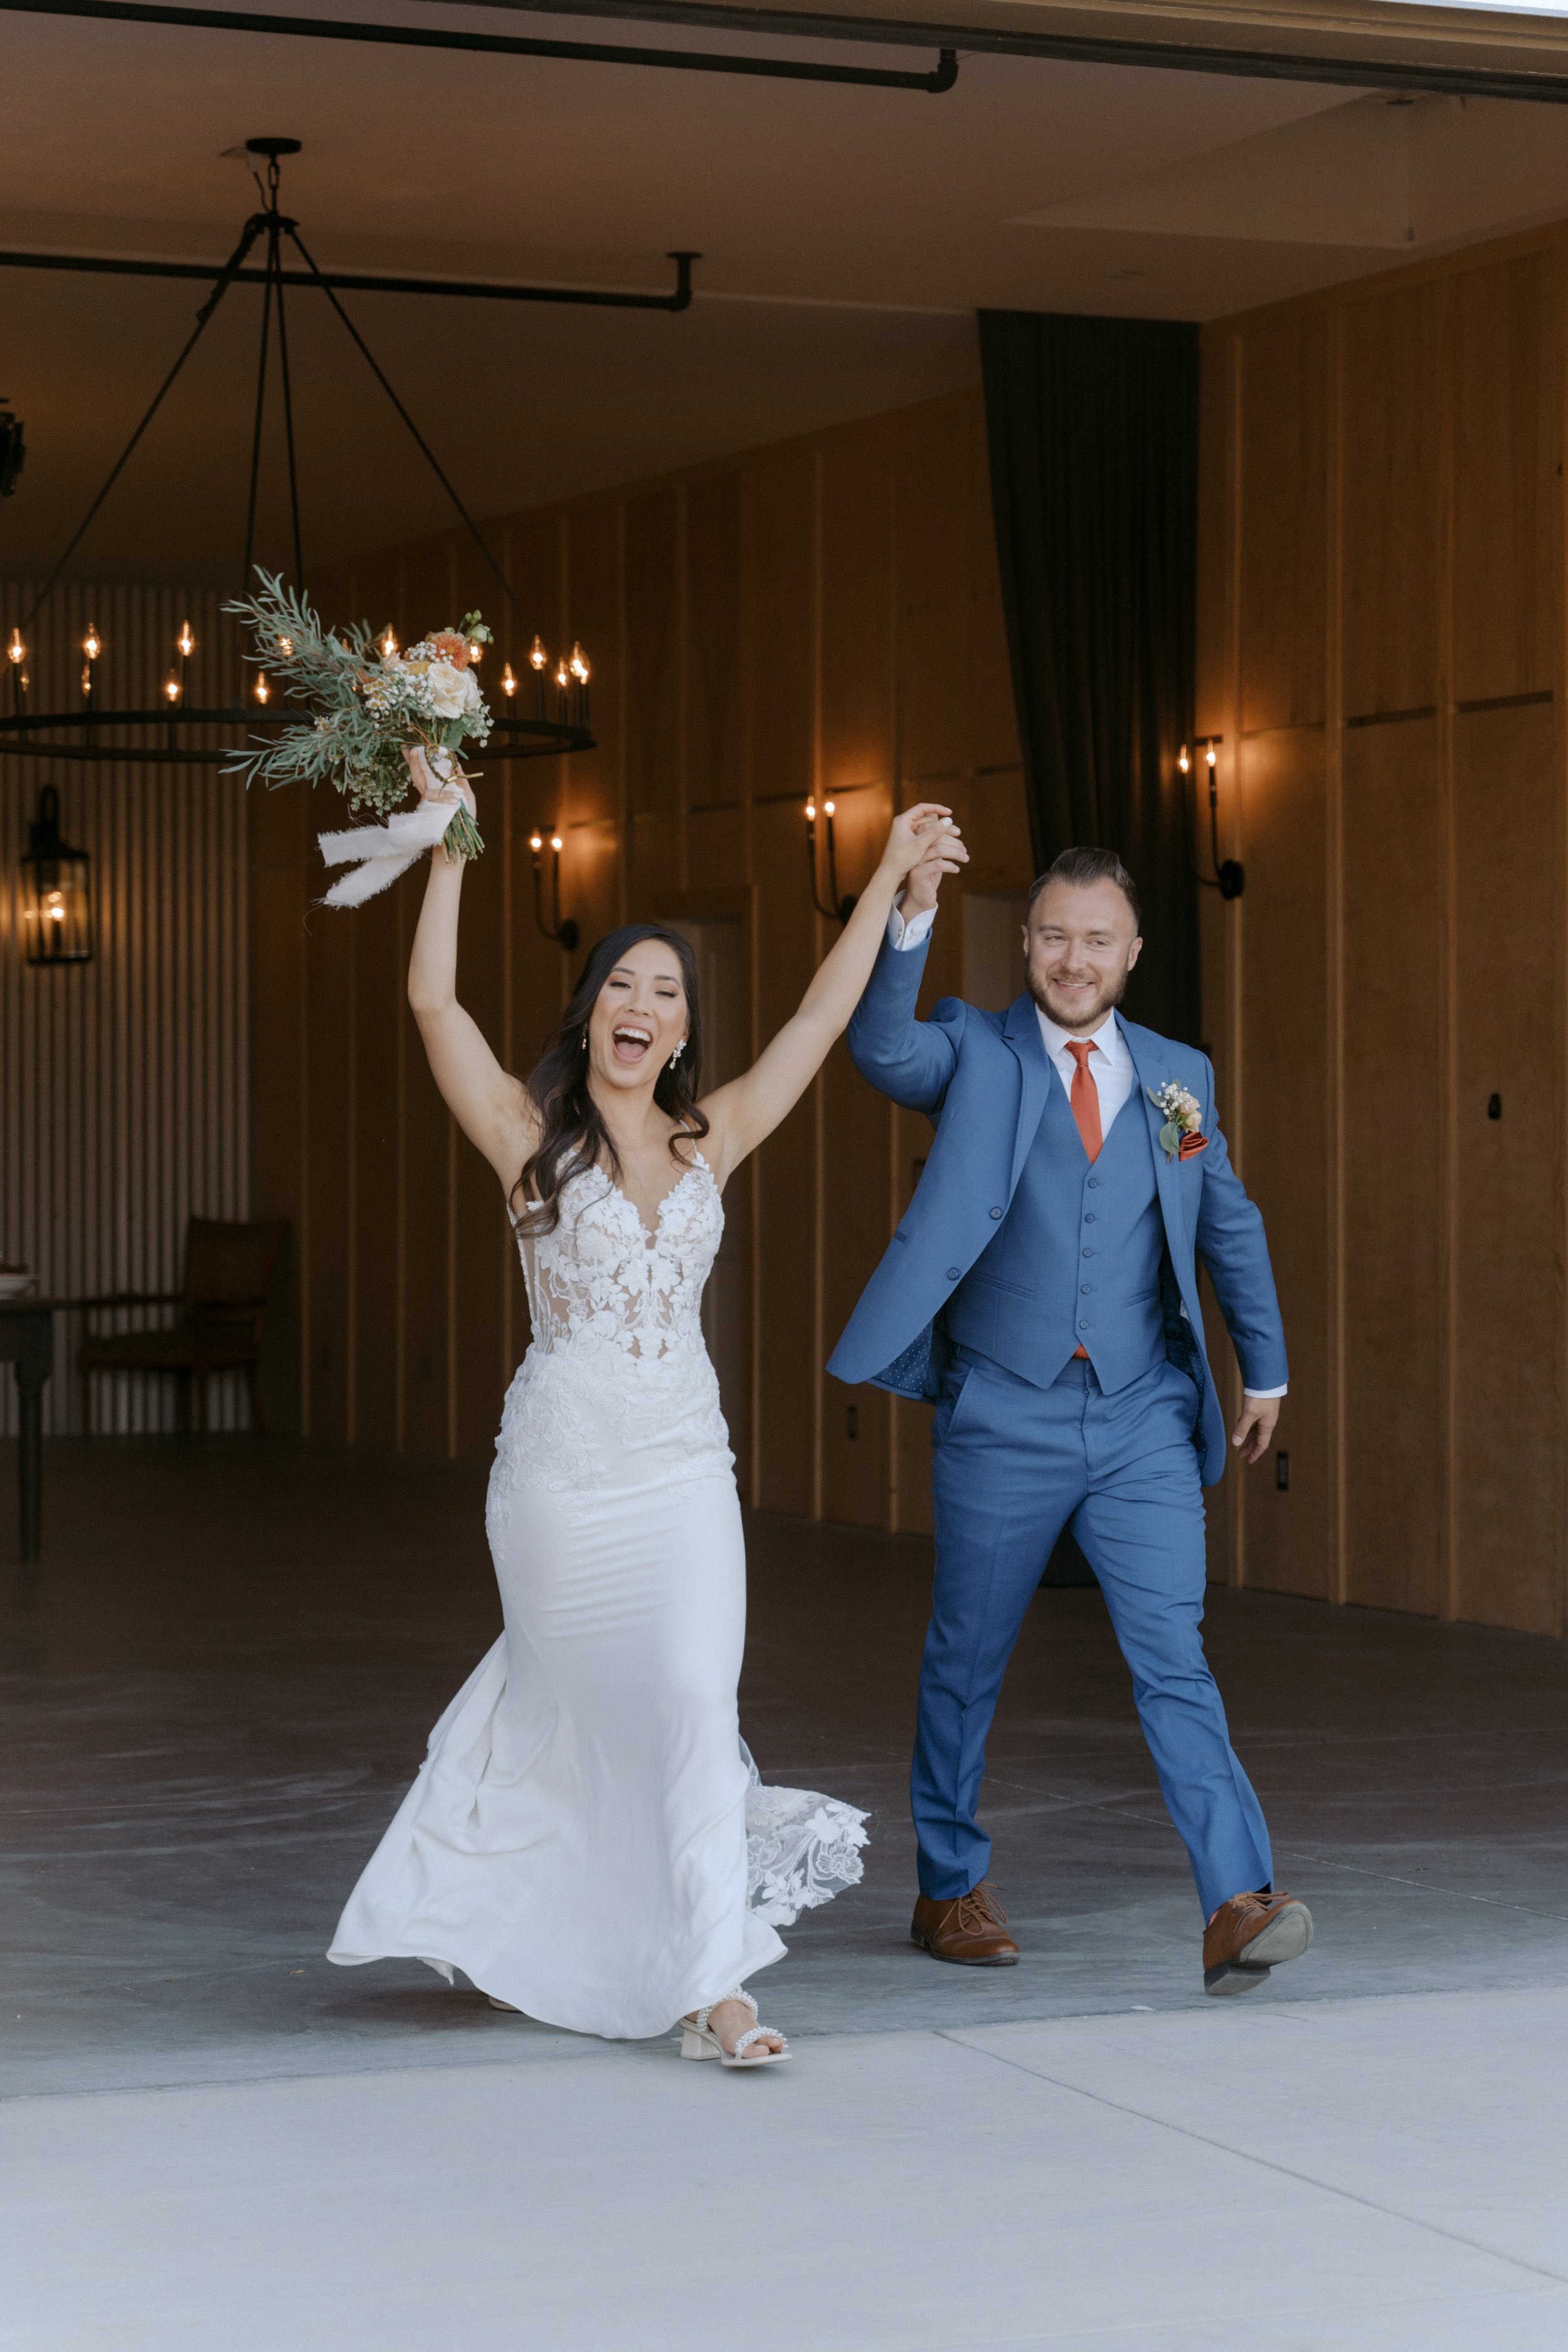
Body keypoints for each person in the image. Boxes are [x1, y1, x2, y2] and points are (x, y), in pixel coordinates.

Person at [328, 753, 969, 2064]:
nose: (641, 1003)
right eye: (621, 983)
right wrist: (450, 840)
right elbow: (429, 998)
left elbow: (814, 1023)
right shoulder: (525, 1135)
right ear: (588, 1017)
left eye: (666, 992)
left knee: (687, 1698)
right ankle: (555, 1916)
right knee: (576, 1713)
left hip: (680, 1475)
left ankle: (713, 1988)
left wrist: (886, 887)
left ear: (681, 1033)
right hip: (558, 1488)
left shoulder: (710, 1138)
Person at [828, 845, 1313, 1997]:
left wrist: (1268, 1369)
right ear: (1026, 942)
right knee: (968, 1655)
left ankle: (1237, 1897)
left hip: (1144, 1410)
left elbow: (1224, 1222)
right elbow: (882, 1049)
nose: (1074, 958)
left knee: (1174, 1658)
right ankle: (947, 1884)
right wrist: (912, 916)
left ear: (1132, 953)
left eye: (1098, 939)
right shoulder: (977, 1050)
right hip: (1003, 1406)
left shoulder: (1176, 1078)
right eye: (1054, 935)